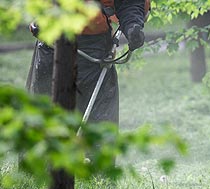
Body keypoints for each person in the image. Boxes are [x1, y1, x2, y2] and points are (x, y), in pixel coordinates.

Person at [27, 0, 146, 131]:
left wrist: (132, 25)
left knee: (100, 125)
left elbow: (129, 3)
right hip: (52, 45)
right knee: (46, 120)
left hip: (95, 48)